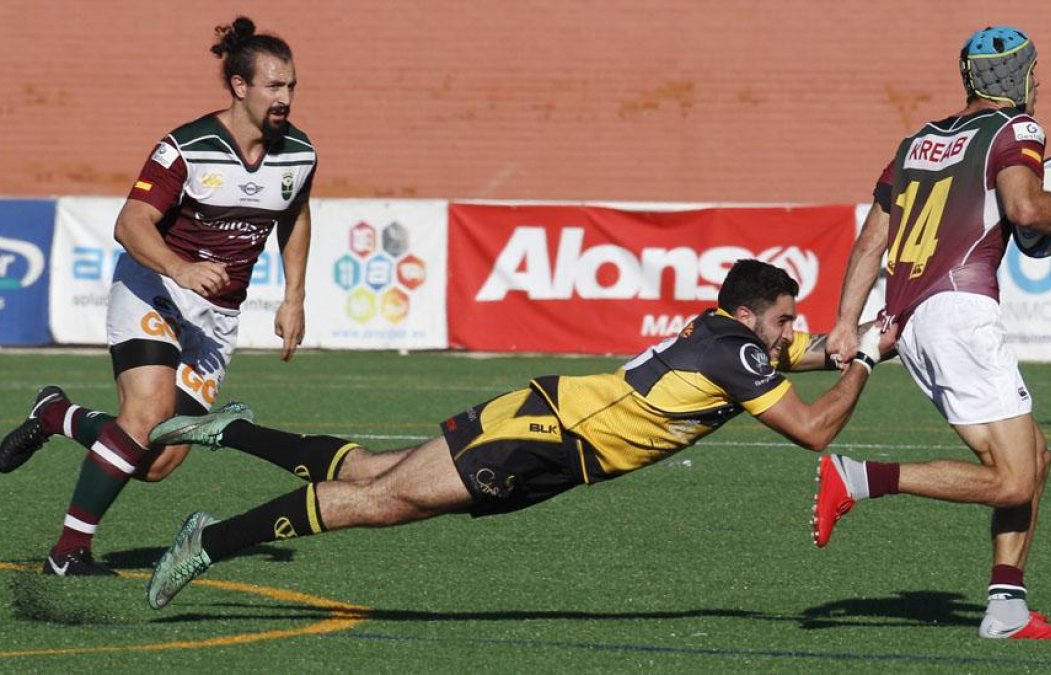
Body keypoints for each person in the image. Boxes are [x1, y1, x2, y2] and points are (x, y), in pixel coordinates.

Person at [144, 259, 889, 609]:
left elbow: (819, 347)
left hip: (548, 419)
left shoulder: (731, 334)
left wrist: (855, 338)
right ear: (753, 314)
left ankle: (235, 430)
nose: (795, 329)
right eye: (786, 317)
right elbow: (816, 429)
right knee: (381, 502)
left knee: (373, 470)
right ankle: (209, 541)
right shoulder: (736, 351)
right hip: (546, 440)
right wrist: (868, 363)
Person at [0, 17, 316, 576]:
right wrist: (180, 267)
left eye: (291, 85)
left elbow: (294, 216)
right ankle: (68, 553)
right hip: (154, 291)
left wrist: (295, 297)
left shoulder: (298, 154)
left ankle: (56, 415)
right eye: (274, 85)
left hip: (217, 317)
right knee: (145, 416)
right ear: (240, 86)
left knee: (156, 460)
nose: (285, 97)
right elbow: (131, 223)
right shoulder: (186, 146)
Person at [823, 27, 1051, 640]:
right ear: (1021, 77)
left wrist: (847, 321)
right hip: (959, 313)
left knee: (1035, 457)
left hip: (913, 318)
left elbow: (874, 239)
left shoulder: (916, 142)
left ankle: (1006, 606)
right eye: (1036, 71)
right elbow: (1027, 209)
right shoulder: (1016, 131)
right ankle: (860, 478)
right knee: (1014, 478)